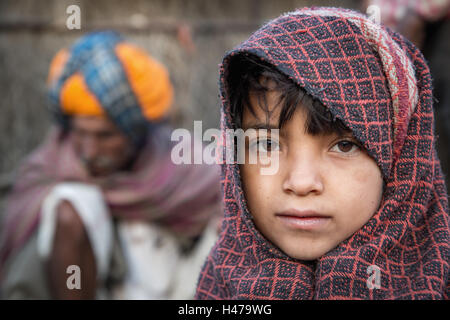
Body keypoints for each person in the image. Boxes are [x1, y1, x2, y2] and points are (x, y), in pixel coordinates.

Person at [195, 7, 449, 299]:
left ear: (401, 161)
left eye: (344, 145)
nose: (301, 183)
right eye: (266, 144)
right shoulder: (217, 286)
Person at [0, 31, 222, 299]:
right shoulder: (51, 165)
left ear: (135, 133)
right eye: (80, 133)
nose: (90, 151)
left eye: (105, 135)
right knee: (69, 205)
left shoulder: (182, 162)